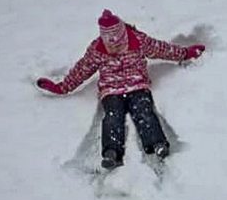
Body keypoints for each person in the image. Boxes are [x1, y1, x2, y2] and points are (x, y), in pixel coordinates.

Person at [36, 9, 205, 170]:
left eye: (118, 44)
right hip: (111, 91)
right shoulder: (97, 50)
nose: (115, 48)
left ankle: (157, 143)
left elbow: (161, 49)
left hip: (137, 85)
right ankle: (111, 152)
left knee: (144, 111)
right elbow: (82, 69)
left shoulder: (137, 40)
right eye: (110, 46)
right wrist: (62, 87)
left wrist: (185, 53)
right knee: (112, 117)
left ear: (124, 35)